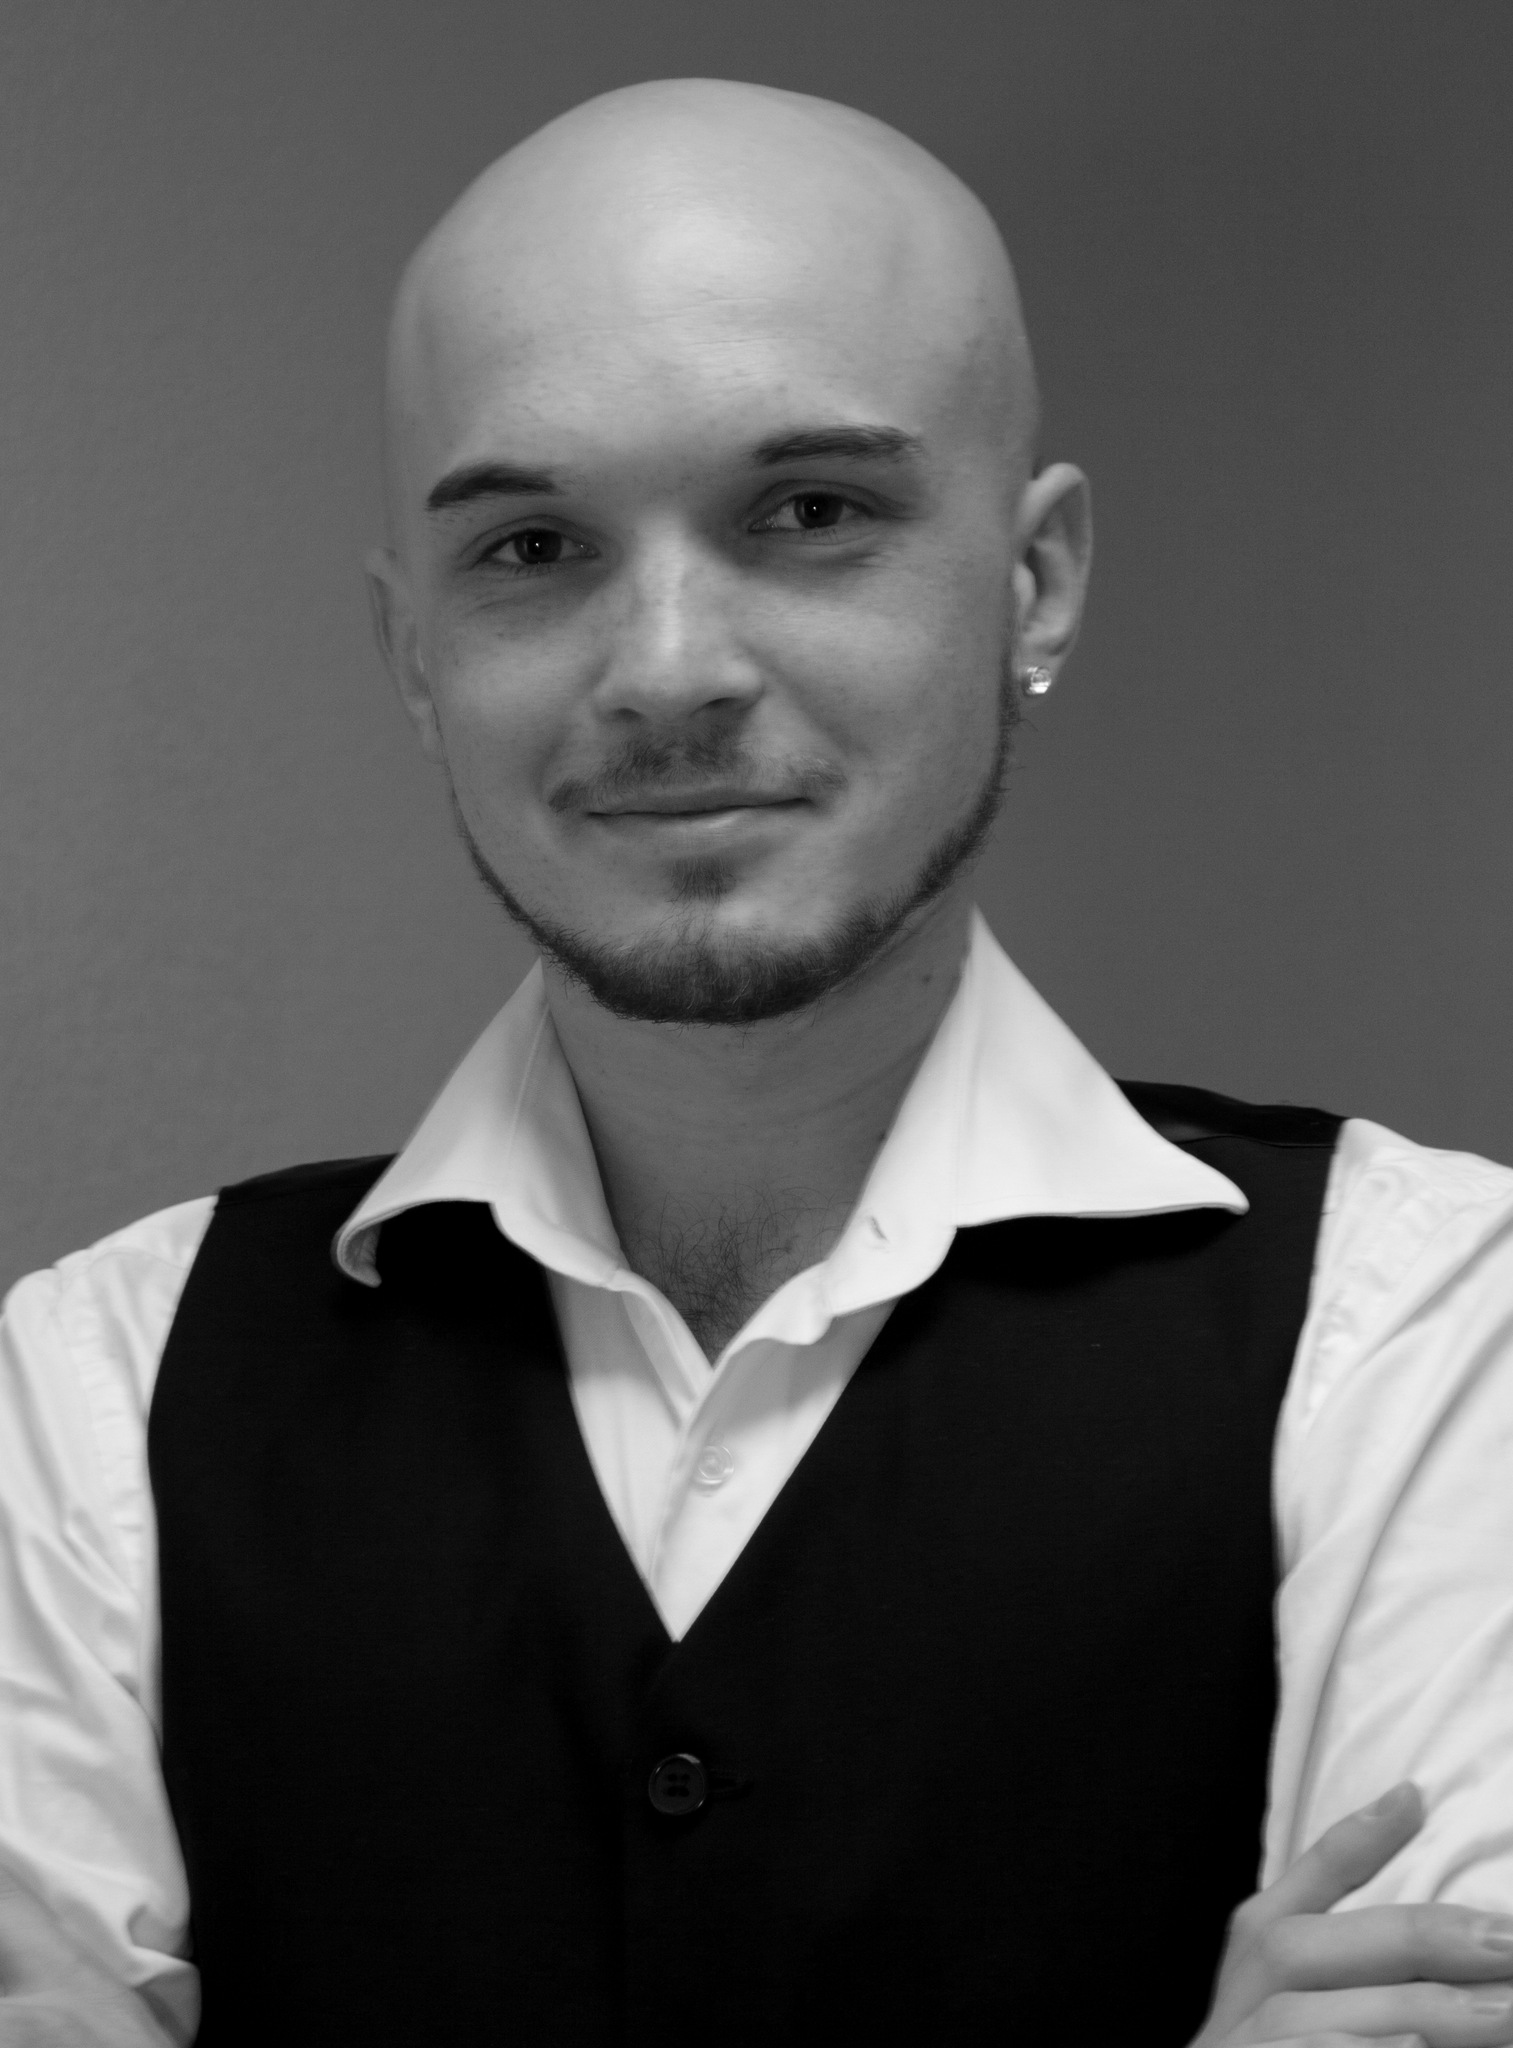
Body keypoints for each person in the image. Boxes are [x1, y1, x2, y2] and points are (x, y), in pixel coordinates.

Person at [2, 76, 1512, 2048]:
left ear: (1034, 580)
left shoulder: (1431, 1333)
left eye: (808, 514)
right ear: (414, 654)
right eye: (531, 543)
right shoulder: (91, 1391)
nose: (666, 671)